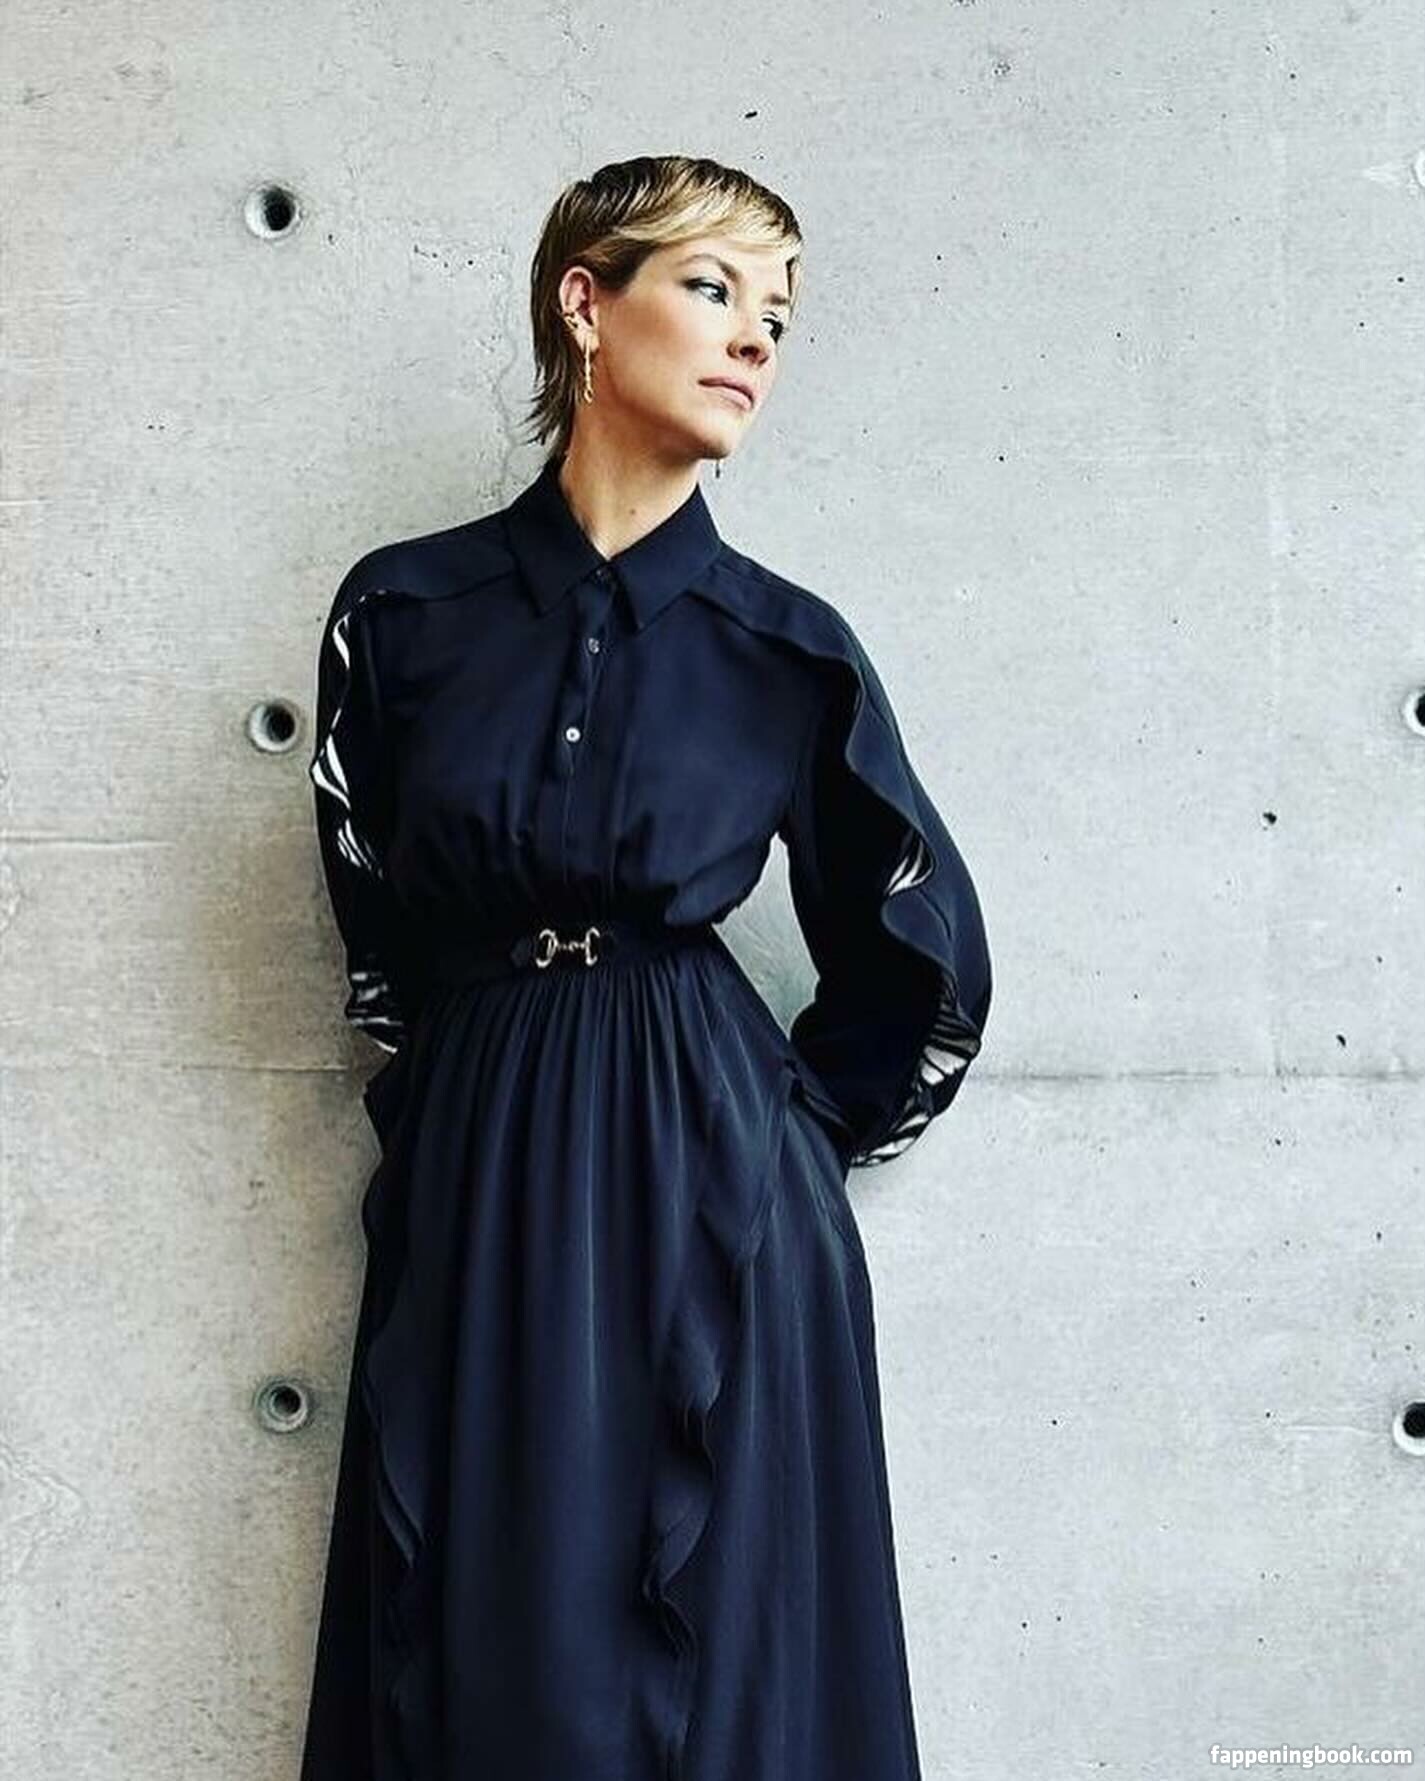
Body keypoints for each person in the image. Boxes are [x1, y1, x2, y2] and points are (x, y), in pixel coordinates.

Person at [299, 153, 992, 1781]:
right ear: (585, 303)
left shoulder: (782, 644)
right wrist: (461, 1107)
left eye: (778, 316)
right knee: (486, 1644)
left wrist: (780, 1140)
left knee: (726, 1665)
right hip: (482, 1173)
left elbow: (922, 949)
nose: (754, 338)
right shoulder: (404, 613)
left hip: (713, 1183)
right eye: (711, 286)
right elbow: (372, 912)